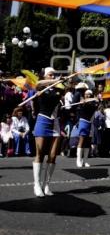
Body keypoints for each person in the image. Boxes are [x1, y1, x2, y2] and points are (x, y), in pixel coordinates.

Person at [32, 67, 64, 197]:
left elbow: (61, 91)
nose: (53, 76)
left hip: (55, 122)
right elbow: (38, 84)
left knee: (53, 156)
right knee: (39, 154)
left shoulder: (58, 89)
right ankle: (37, 184)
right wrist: (55, 80)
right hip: (42, 120)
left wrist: (60, 82)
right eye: (50, 75)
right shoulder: (40, 86)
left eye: (54, 75)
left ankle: (47, 185)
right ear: (44, 76)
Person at [76, 89, 98, 167]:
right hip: (83, 122)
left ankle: (85, 160)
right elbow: (80, 105)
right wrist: (83, 103)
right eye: (86, 94)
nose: (87, 95)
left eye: (89, 94)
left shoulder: (94, 103)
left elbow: (96, 103)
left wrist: (94, 99)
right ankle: (78, 160)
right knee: (81, 141)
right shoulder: (82, 101)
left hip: (90, 123)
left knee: (88, 142)